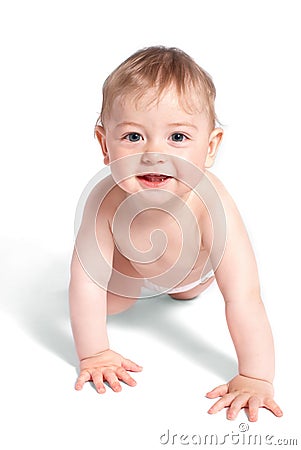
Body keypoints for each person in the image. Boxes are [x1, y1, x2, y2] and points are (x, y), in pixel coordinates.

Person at [69, 46, 283, 422]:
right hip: (131, 267)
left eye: (178, 137)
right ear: (105, 145)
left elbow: (244, 296)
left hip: (194, 270)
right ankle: (140, 289)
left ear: (211, 146)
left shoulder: (211, 206)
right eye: (133, 137)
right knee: (109, 305)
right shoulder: (104, 202)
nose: (154, 153)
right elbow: (85, 282)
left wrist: (255, 376)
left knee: (186, 290)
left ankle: (185, 287)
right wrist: (95, 353)